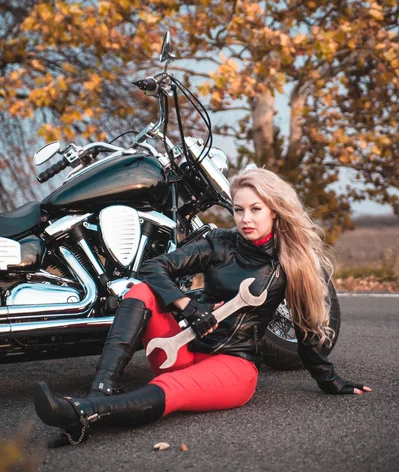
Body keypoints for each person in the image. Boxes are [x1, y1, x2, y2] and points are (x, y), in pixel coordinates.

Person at [33, 168, 372, 446]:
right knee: (140, 291)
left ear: (275, 211)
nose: (245, 218)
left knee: (170, 390)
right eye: (239, 209)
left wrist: (331, 381)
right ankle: (100, 389)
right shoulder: (218, 243)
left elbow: (306, 332)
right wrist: (186, 306)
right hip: (182, 348)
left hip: (232, 368)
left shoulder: (292, 264)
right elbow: (154, 268)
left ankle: (84, 414)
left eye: (256, 209)